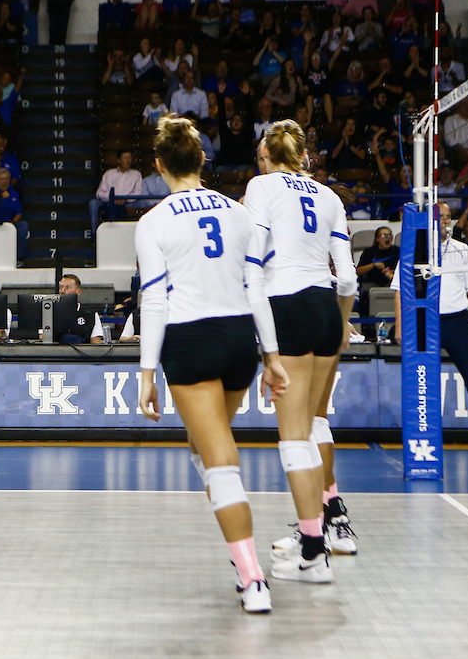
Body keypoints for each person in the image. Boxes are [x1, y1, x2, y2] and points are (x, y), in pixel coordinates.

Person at [136, 115, 288, 614]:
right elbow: (256, 289)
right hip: (239, 341)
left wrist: (146, 372)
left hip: (191, 340)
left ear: (158, 166)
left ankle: (253, 578)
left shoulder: (153, 221)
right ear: (202, 158)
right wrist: (271, 356)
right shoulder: (241, 214)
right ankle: (240, 548)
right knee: (205, 443)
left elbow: (154, 303)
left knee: (220, 460)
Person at [243, 121, 357, 584]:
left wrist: (267, 348)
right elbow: (347, 277)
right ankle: (325, 527)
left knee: (293, 438)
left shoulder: (262, 186)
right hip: (327, 307)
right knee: (315, 424)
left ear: (267, 154)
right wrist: (344, 320)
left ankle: (313, 552)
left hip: (286, 304)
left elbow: (253, 263)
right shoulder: (329, 196)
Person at [394, 203, 468, 463]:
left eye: (448, 217)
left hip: (457, 322)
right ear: (428, 221)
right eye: (440, 217)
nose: (445, 221)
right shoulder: (413, 250)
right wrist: (400, 324)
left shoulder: (462, 250)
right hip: (424, 321)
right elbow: (399, 289)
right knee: (419, 380)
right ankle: (419, 442)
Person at [357, 226, 399, 319]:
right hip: (373, 282)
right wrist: (373, 265)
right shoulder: (369, 252)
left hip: (391, 282)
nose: (387, 237)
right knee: (366, 290)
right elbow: (359, 271)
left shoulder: (397, 251)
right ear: (377, 239)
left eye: (389, 235)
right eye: (384, 235)